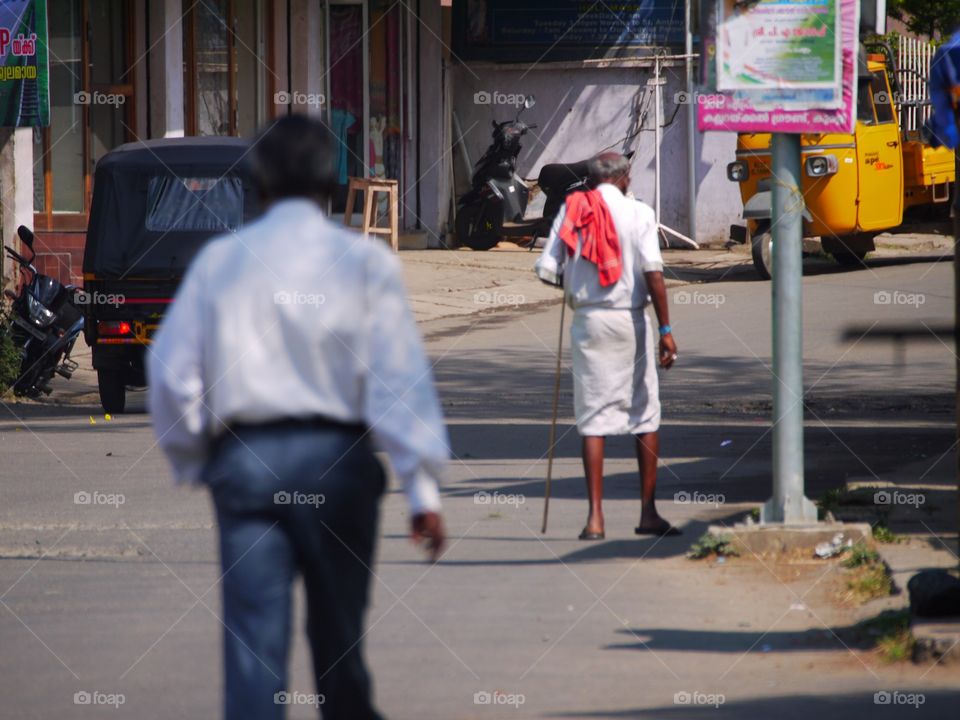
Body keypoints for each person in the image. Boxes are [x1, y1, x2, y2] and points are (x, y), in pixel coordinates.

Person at [147, 115, 448, 720]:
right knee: (340, 646)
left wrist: (195, 459)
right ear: (332, 183)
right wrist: (422, 487)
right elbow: (397, 379)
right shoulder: (365, 263)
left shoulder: (220, 261)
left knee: (254, 652)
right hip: (337, 466)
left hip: (246, 466)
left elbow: (171, 372)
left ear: (258, 181)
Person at [535, 152, 679, 540]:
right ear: (624, 177)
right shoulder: (640, 214)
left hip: (589, 321)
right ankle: (648, 514)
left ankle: (595, 519)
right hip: (630, 320)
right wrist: (665, 328)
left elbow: (548, 270)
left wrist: (578, 281)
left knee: (593, 418)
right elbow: (654, 274)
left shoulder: (574, 207)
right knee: (645, 414)